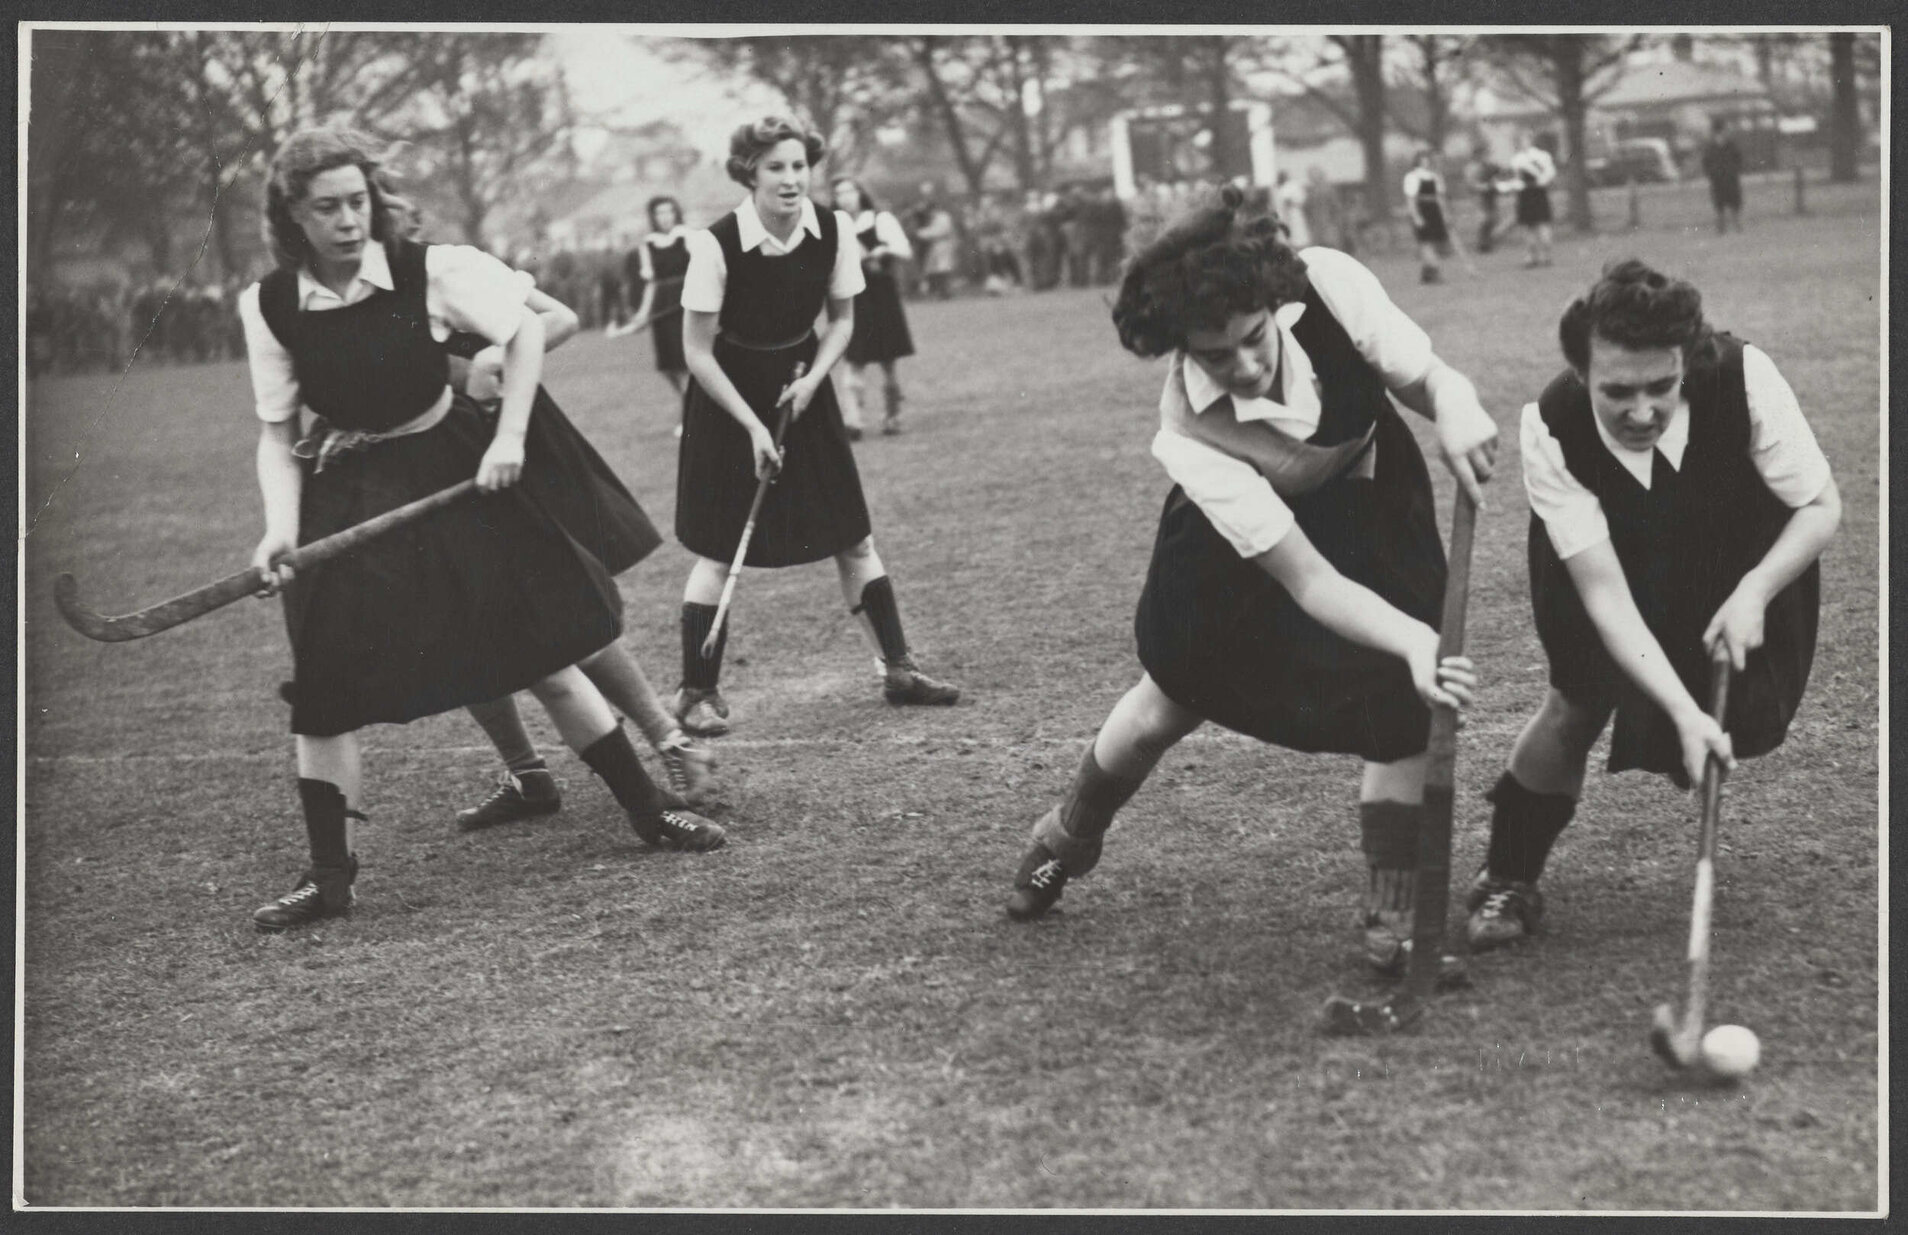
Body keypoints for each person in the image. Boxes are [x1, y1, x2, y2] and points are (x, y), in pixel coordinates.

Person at [1001, 186, 1499, 978]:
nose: (1244, 365)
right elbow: (1308, 581)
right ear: (1180, 347)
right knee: (1165, 708)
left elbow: (1425, 378)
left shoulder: (1329, 281)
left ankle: (1394, 916)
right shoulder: (1187, 433)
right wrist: (1415, 637)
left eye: (1253, 338)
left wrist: (1457, 404)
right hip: (1242, 552)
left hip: (1367, 499)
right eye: (1214, 355)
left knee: (1407, 699)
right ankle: (1070, 833)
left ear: (1273, 302)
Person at [238, 128, 725, 931]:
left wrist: (510, 437)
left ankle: (649, 810)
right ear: (292, 213)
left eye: (358, 202)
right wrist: (278, 530)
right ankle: (328, 877)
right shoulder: (270, 304)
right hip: (349, 491)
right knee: (323, 683)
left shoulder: (428, 270)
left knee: (544, 650)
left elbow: (530, 328)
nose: (349, 221)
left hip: (453, 468)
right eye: (327, 208)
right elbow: (274, 431)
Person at [1466, 259, 1839, 950]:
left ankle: (1678, 720)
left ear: (1686, 361)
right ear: (1581, 372)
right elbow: (1605, 593)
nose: (1642, 412)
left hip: (1725, 553)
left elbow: (1819, 506)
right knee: (1576, 703)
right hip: (1606, 559)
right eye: (1617, 391)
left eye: (1661, 386)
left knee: (1730, 703)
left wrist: (1754, 591)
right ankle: (1508, 875)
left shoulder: (1745, 376)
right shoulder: (1551, 425)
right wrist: (1682, 715)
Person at [671, 116, 962, 737]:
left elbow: (843, 322)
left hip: (803, 388)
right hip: (728, 401)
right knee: (720, 551)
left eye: (800, 166)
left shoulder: (833, 230)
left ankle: (898, 668)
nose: (791, 179)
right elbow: (696, 352)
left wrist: (812, 381)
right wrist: (753, 426)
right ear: (749, 173)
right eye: (775, 167)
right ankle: (697, 692)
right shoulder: (716, 245)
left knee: (853, 538)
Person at [831, 178, 916, 440]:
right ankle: (853, 421)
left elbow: (904, 250)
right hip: (851, 297)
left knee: (887, 360)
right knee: (854, 357)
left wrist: (882, 250)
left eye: (849, 191)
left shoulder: (880, 219)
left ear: (860, 193)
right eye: (839, 193)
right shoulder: (835, 224)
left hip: (880, 294)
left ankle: (892, 415)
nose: (845, 198)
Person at [614, 196, 694, 435]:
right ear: (653, 217)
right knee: (668, 367)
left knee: (684, 365)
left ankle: (688, 418)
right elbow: (651, 284)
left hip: (686, 303)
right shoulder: (647, 245)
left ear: (676, 213)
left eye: (669, 212)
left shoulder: (687, 236)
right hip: (662, 306)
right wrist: (642, 314)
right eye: (660, 213)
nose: (665, 217)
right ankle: (690, 405)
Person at [1403, 150, 1452, 284]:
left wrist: (1445, 214)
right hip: (1421, 211)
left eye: (1427, 160)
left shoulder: (1434, 177)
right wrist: (1416, 217)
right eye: (1422, 160)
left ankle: (1427, 274)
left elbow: (1440, 198)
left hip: (1434, 212)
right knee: (1425, 243)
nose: (1425, 163)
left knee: (1435, 243)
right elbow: (1411, 200)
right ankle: (1434, 271)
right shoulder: (1412, 177)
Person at [1510, 131, 1557, 268]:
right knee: (1528, 227)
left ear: (1530, 140)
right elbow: (1517, 178)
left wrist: (1539, 182)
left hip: (1537, 193)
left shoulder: (1541, 156)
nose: (1522, 143)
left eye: (1524, 140)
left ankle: (1545, 256)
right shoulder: (1517, 159)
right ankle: (1532, 256)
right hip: (1526, 194)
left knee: (1543, 225)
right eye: (1520, 140)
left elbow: (1549, 174)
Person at [1701, 117, 1745, 235]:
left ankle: (1738, 226)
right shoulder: (1711, 147)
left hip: (1731, 179)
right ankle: (1721, 228)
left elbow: (1738, 159)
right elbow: (1706, 162)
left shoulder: (1731, 145)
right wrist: (1711, 173)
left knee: (1735, 203)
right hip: (1717, 180)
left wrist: (1734, 170)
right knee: (1719, 204)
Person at [913, 189, 958, 300]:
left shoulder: (943, 217)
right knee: (935, 269)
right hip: (936, 245)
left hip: (944, 244)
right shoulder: (934, 218)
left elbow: (939, 231)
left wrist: (920, 234)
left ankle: (945, 292)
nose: (930, 213)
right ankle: (940, 291)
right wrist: (921, 233)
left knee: (943, 268)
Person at [1275, 170, 1311, 247]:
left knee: (1297, 232)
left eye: (1284, 176)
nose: (1282, 177)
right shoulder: (1278, 188)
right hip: (1283, 214)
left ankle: (1299, 245)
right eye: (1281, 176)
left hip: (1294, 212)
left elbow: (1302, 198)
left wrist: (1292, 201)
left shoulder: (1294, 186)